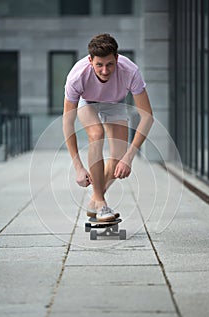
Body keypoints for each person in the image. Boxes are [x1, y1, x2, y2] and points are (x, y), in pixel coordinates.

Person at [63, 33, 153, 221]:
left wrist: (129, 157)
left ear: (117, 59)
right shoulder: (77, 77)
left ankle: (95, 201)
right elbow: (67, 122)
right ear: (90, 61)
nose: (105, 70)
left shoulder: (130, 71)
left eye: (110, 64)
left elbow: (147, 117)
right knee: (97, 134)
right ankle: (101, 204)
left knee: (118, 157)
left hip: (115, 103)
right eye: (99, 65)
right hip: (87, 101)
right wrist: (78, 167)